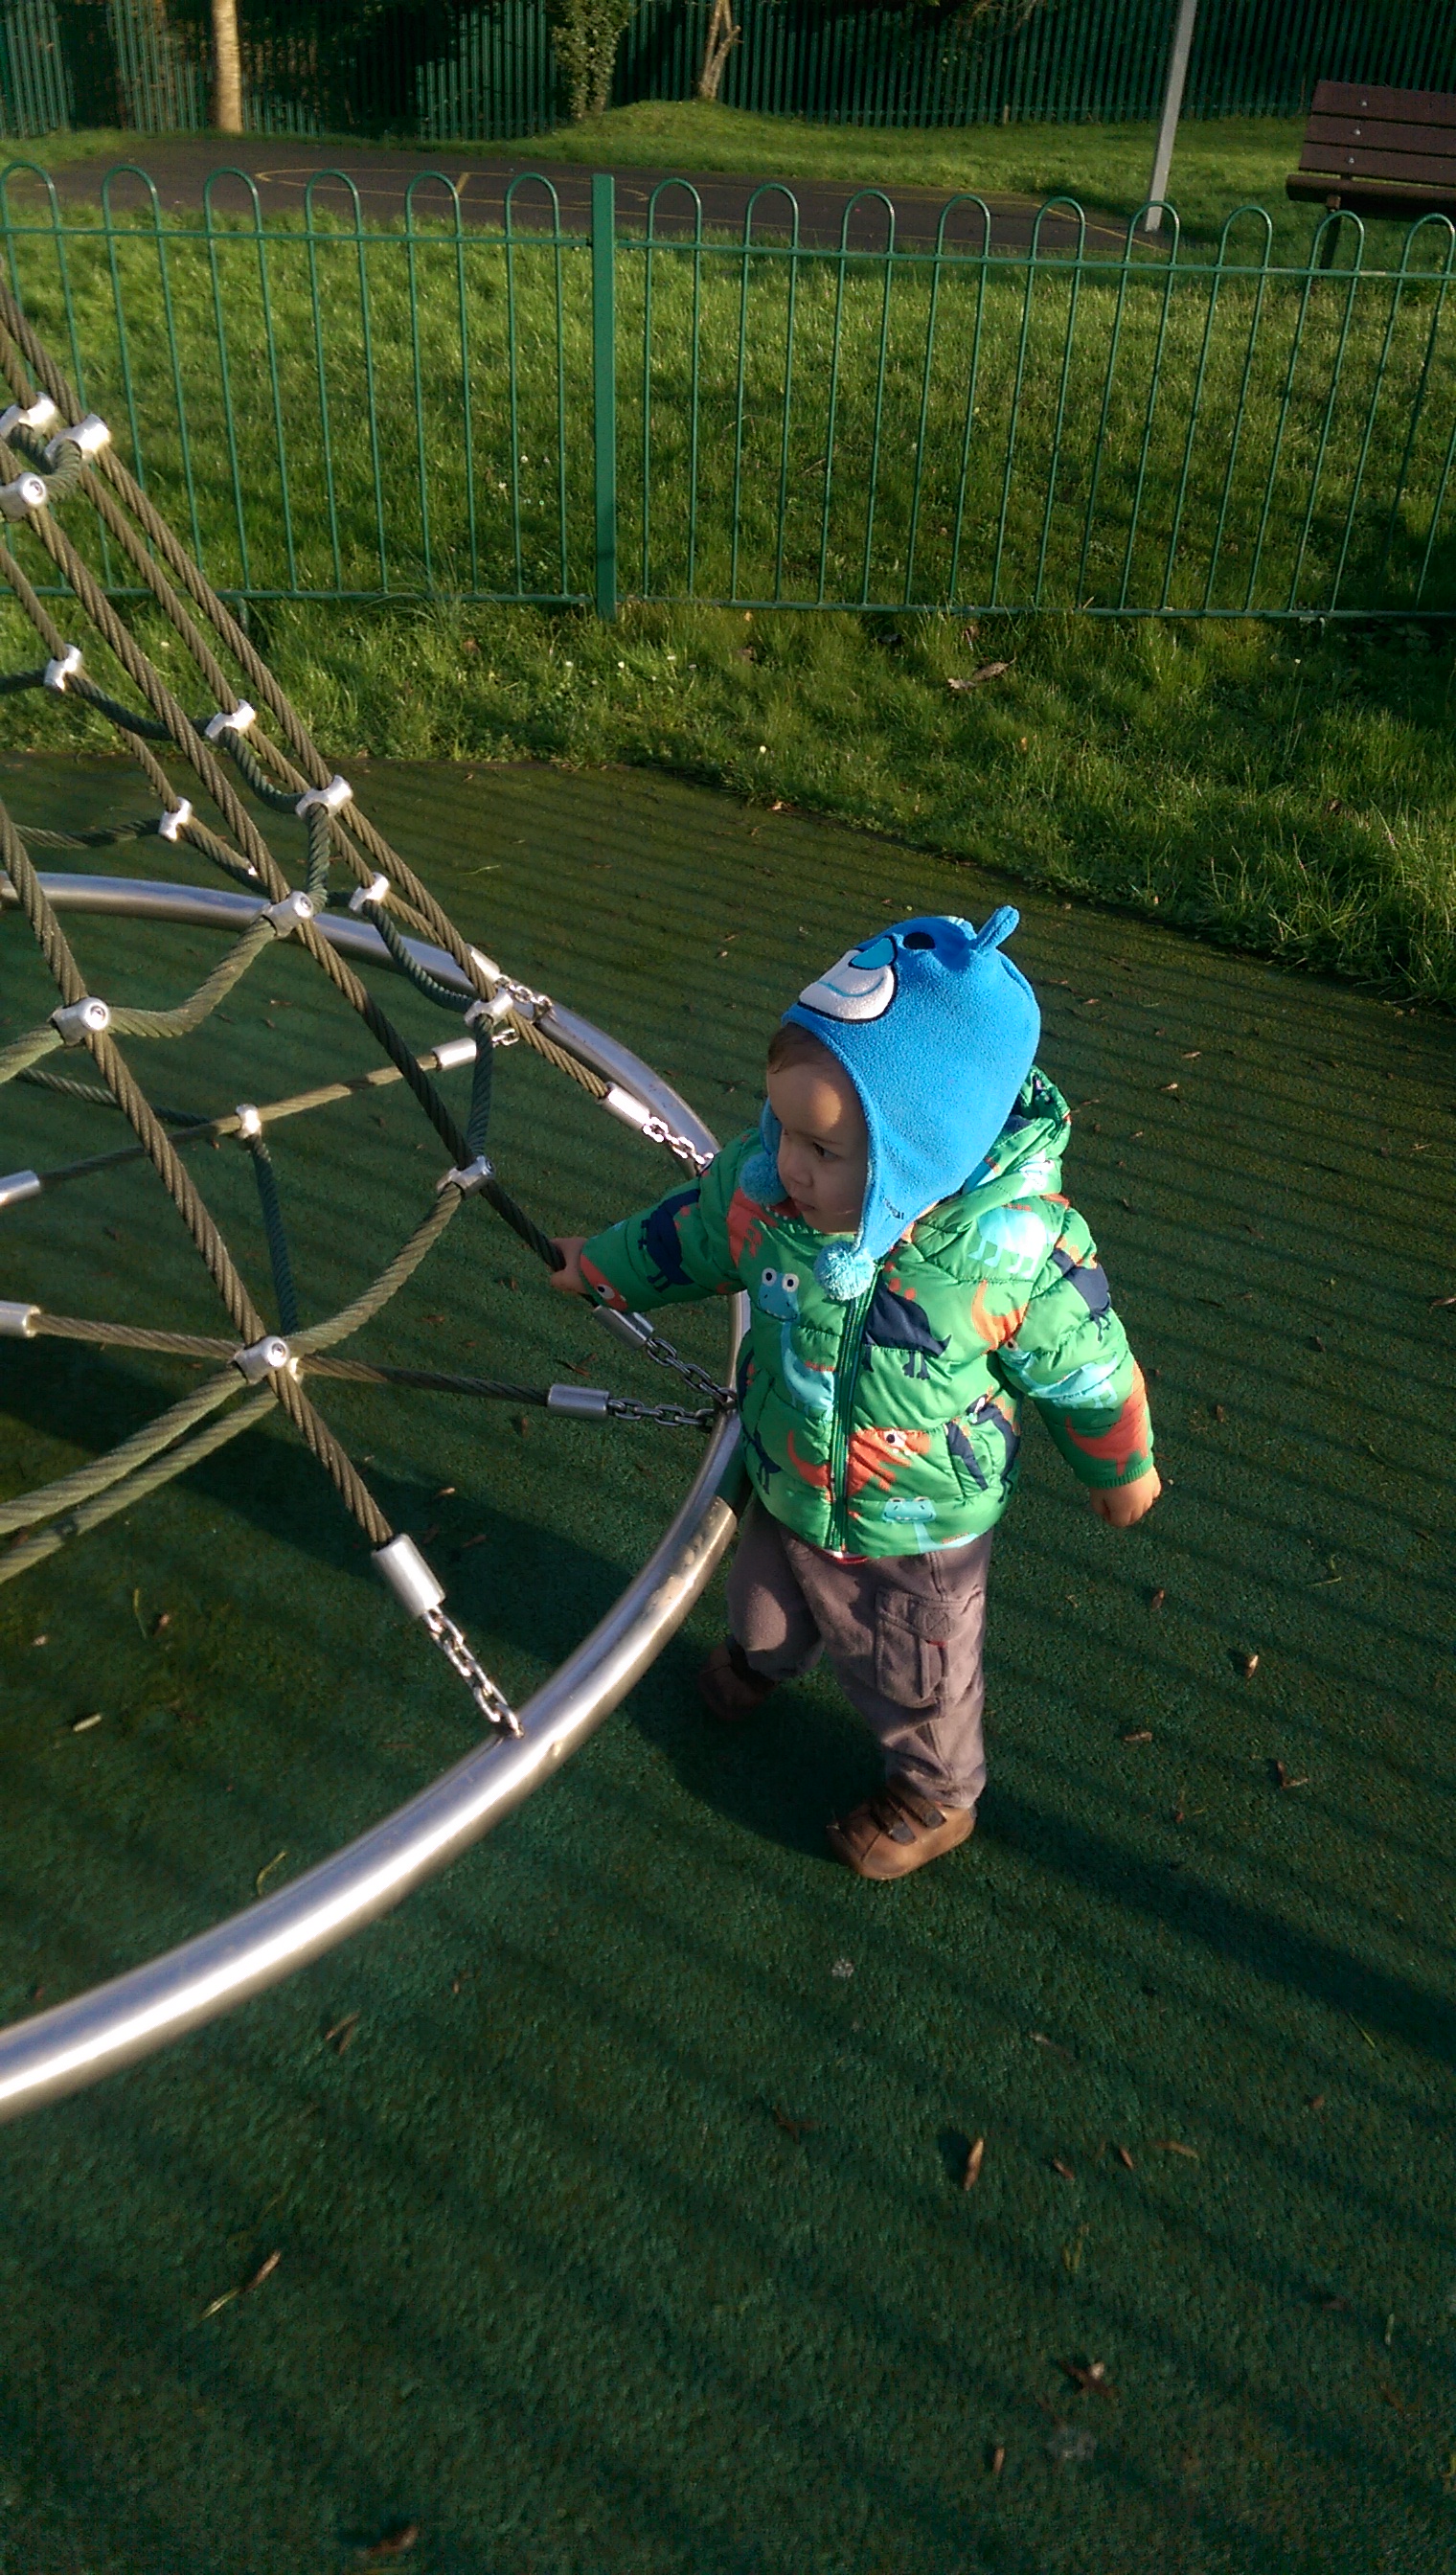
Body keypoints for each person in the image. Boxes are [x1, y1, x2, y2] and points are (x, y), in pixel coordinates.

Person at [549, 907, 1160, 1882]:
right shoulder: (770, 1196)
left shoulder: (1010, 1255)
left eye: (823, 1148)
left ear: (921, 1153)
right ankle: (764, 1659)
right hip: (788, 1473)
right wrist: (602, 1266)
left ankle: (936, 1793)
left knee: (914, 1675)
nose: (789, 1160)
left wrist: (1120, 1466)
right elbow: (691, 1236)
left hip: (919, 1529)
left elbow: (1090, 1367)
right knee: (762, 1605)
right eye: (782, 1127)